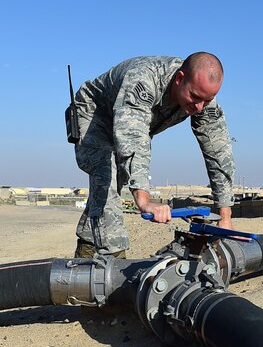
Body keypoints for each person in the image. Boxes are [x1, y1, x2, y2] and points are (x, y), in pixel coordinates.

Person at [72, 52, 235, 257]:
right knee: (107, 175)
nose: (199, 107)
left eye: (207, 100)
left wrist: (225, 215)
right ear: (179, 79)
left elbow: (218, 151)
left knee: (106, 192)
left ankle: (85, 256)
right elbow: (133, 136)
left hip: (128, 125)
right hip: (94, 114)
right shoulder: (143, 79)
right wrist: (144, 199)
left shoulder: (202, 97)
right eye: (194, 97)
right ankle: (113, 265)